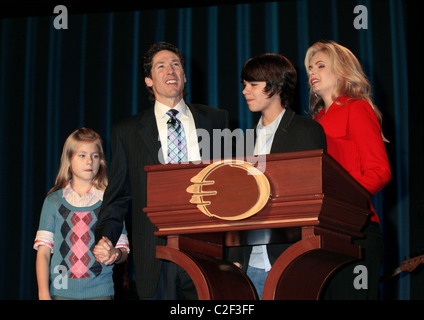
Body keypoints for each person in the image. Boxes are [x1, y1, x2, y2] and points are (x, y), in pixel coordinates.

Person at [94, 42, 230, 300]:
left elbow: (229, 187)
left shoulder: (215, 121)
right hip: (153, 255)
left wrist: (233, 253)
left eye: (176, 65)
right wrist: (105, 237)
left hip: (206, 248)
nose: (170, 70)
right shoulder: (127, 131)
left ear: (185, 76)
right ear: (148, 80)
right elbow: (118, 197)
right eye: (161, 66)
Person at [228, 53, 327, 299]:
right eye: (244, 85)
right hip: (250, 263)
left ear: (274, 85)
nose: (245, 91)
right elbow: (235, 205)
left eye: (252, 84)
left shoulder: (307, 131)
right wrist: (235, 258)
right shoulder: (243, 141)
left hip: (293, 259)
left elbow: (313, 197)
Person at [304, 40, 391, 299]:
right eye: (309, 67)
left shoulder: (356, 108)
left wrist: (343, 203)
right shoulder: (315, 120)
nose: (312, 72)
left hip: (356, 230)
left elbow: (379, 171)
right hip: (322, 233)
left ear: (342, 71)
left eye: (320, 65)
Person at [34, 127, 129, 300]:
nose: (89, 162)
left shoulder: (110, 203)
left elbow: (123, 251)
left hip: (100, 291)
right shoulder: (53, 202)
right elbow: (43, 252)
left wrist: (114, 254)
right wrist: (43, 293)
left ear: (101, 161)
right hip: (61, 291)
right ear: (69, 159)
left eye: (95, 156)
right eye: (82, 155)